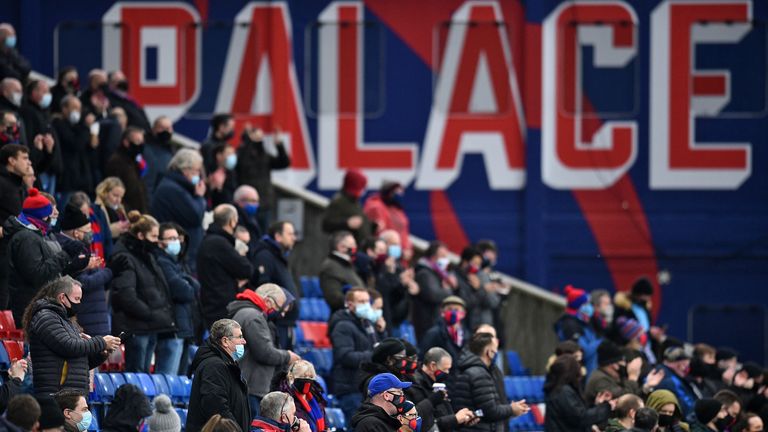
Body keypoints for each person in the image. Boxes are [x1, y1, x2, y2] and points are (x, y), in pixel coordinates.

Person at [23, 276, 121, 395]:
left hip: (70, 394)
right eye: (76, 298)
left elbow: (79, 361)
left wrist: (101, 353)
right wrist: (101, 342)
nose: (79, 303)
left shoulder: (67, 321)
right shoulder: (46, 317)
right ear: (62, 297)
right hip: (56, 393)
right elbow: (69, 347)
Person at [108, 211, 176, 372]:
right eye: (153, 236)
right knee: (137, 373)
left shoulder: (148, 255)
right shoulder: (125, 257)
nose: (156, 241)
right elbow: (126, 296)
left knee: (146, 376)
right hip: (137, 327)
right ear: (140, 235)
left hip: (151, 325)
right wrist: (150, 313)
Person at [227, 283, 300, 416]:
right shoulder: (253, 317)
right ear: (267, 301)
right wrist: (287, 356)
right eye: (279, 308)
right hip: (250, 389)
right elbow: (265, 352)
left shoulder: (248, 313)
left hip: (247, 387)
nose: (281, 315)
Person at [6, 188, 69, 323]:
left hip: (36, 305)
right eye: (49, 214)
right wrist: (65, 255)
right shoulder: (26, 238)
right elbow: (36, 274)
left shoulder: (33, 235)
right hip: (30, 306)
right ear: (42, 216)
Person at [451, 332, 529, 432]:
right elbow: (489, 411)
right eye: (495, 350)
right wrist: (512, 409)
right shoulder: (480, 374)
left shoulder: (466, 370)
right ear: (489, 352)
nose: (496, 353)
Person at [56, 203, 112, 337]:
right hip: (85, 315)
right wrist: (109, 272)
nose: (91, 234)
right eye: (88, 231)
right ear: (76, 233)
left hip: (94, 314)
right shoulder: (69, 249)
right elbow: (82, 282)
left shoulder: (82, 247)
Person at [187, 319, 251, 432]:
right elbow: (217, 408)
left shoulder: (227, 364)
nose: (244, 341)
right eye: (240, 337)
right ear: (225, 341)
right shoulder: (214, 366)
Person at [150, 148, 206, 272]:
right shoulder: (173, 189)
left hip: (185, 251)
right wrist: (199, 197)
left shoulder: (180, 187)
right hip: (178, 252)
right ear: (185, 170)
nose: (199, 175)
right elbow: (195, 216)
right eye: (197, 171)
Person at [155, 223, 200, 375]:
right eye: (171, 238)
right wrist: (190, 285)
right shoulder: (162, 262)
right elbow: (184, 291)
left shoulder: (176, 263)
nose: (176, 242)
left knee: (179, 381)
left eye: (177, 238)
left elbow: (195, 287)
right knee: (168, 378)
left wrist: (190, 284)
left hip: (183, 326)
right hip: (173, 327)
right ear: (160, 242)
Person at [197, 204, 253, 327]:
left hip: (213, 303)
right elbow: (245, 269)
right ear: (232, 221)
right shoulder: (219, 243)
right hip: (220, 306)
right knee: (226, 344)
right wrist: (242, 254)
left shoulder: (209, 239)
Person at [329, 288, 380, 422]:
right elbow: (345, 356)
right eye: (361, 301)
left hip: (365, 387)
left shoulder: (367, 323)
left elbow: (377, 346)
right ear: (350, 304)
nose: (366, 305)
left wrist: (382, 331)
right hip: (350, 388)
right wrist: (374, 356)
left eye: (367, 301)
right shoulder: (342, 325)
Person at [249, 221, 298, 349]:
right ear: (278, 236)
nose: (294, 238)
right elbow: (264, 288)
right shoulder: (265, 256)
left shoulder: (281, 257)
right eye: (290, 234)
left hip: (286, 321)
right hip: (276, 322)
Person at [405, 347, 476, 432]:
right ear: (433, 365)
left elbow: (445, 416)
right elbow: (425, 423)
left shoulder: (438, 383)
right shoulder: (416, 386)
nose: (447, 373)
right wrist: (454, 419)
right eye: (445, 369)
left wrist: (462, 420)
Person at [235, 125, 290, 229]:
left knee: (262, 232)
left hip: (264, 203)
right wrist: (249, 140)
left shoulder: (264, 156)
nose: (259, 140)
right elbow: (243, 162)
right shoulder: (242, 153)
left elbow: (284, 163)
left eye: (261, 137)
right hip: (246, 203)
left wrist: (279, 145)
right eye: (256, 136)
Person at [543, 353, 615, 432]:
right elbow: (580, 418)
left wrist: (597, 405)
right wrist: (605, 407)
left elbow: (575, 414)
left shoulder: (558, 389)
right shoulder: (564, 392)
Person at [584, 340, 665, 404]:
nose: (623, 367)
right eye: (620, 363)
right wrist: (632, 377)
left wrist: (647, 386)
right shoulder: (600, 380)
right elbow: (625, 401)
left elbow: (632, 394)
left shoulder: (610, 375)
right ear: (613, 365)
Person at [52, 93, 98, 200]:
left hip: (81, 180)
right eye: (74, 108)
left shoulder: (78, 127)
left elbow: (91, 147)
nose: (77, 111)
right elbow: (75, 144)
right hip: (67, 180)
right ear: (64, 109)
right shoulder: (58, 124)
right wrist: (86, 127)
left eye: (79, 109)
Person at [0, 144, 30, 309]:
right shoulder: (2, 182)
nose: (28, 162)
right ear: (11, 160)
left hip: (16, 253)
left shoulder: (20, 185)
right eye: (24, 158)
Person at [20, 79, 60, 193]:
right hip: (39, 167)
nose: (48, 95)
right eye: (44, 91)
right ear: (33, 92)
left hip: (49, 164)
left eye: (48, 91)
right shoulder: (29, 112)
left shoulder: (44, 113)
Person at [554, 284, 602, 375]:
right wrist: (602, 342)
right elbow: (584, 351)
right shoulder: (569, 324)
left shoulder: (583, 321)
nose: (589, 306)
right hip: (578, 371)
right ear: (578, 305)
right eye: (586, 304)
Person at [376, 230, 418, 332]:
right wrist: (400, 283)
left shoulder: (399, 265)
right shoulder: (379, 266)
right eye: (394, 244)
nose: (398, 247)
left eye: (398, 244)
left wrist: (412, 287)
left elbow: (403, 292)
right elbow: (387, 292)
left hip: (404, 320)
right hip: (390, 320)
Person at [413, 241, 456, 341]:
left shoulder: (440, 274)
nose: (445, 259)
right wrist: (448, 290)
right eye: (442, 256)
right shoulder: (425, 273)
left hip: (434, 321)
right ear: (433, 256)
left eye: (446, 256)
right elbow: (433, 295)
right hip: (426, 323)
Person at [271, 360, 327, 432]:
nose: (307, 379)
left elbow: (326, 425)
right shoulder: (284, 400)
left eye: (310, 377)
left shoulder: (316, 398)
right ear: (291, 377)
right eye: (303, 376)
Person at [363, 181, 412, 262]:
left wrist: (408, 248)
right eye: (397, 191)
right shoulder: (376, 207)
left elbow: (404, 232)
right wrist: (399, 252)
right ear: (389, 193)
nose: (400, 194)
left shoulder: (396, 208)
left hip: (400, 257)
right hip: (385, 257)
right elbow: (381, 235)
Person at [322, 169, 373, 245]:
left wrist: (373, 226)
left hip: (358, 247)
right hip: (347, 247)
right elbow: (326, 224)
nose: (363, 191)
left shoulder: (354, 202)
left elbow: (361, 224)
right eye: (361, 187)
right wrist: (346, 223)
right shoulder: (339, 202)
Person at [104, 127, 148, 212]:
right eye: (138, 141)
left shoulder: (136, 161)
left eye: (142, 142)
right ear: (126, 142)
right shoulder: (116, 162)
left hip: (138, 213)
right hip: (126, 214)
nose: (141, 145)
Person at [319, 230, 365, 312]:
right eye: (352, 245)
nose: (355, 247)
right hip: (343, 317)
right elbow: (334, 298)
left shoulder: (347, 265)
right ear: (341, 247)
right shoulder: (330, 267)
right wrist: (359, 303)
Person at [419, 296, 468, 361]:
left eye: (456, 309)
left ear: (463, 314)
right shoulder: (434, 333)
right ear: (442, 312)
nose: (453, 312)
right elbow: (423, 356)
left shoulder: (467, 334)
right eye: (449, 309)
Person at [655, 345, 699, 417]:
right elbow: (688, 408)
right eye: (685, 364)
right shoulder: (671, 381)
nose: (685, 368)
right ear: (678, 363)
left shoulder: (662, 372)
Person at [143, 116, 175, 197]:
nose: (165, 131)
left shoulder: (172, 151)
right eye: (161, 128)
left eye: (168, 128)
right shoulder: (145, 150)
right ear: (154, 129)